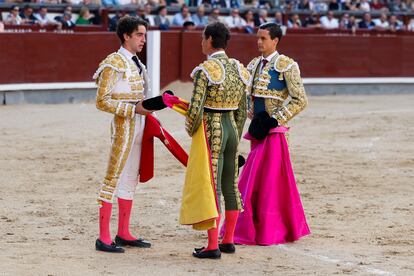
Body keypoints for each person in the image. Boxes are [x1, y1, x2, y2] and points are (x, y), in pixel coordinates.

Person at [228, 23, 310, 246]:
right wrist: (251, 114)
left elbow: (300, 99)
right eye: (258, 38)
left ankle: (271, 229)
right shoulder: (253, 65)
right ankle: (256, 226)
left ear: (275, 41)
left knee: (270, 183)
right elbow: (247, 95)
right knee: (258, 181)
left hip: (274, 134)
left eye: (263, 38)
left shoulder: (286, 65)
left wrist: (275, 119)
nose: (259, 42)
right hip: (257, 132)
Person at [186, 22, 250, 259]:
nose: (201, 42)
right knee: (230, 184)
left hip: (212, 130)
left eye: (203, 38)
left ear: (211, 39)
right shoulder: (238, 68)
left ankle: (212, 245)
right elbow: (244, 109)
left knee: (212, 186)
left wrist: (192, 131)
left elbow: (195, 108)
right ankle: (228, 240)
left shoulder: (206, 70)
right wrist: (235, 129)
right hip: (232, 128)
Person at [92, 16, 154, 253]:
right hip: (123, 125)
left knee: (130, 177)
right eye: (139, 35)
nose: (143, 40)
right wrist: (132, 109)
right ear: (126, 36)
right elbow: (101, 100)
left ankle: (123, 232)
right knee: (113, 176)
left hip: (139, 123)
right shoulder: (113, 62)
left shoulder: (137, 63)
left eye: (145, 35)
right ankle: (103, 237)